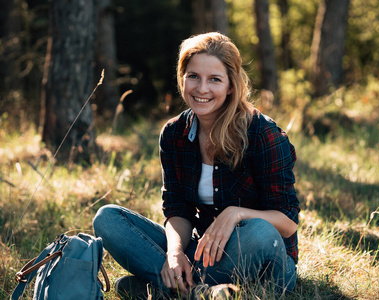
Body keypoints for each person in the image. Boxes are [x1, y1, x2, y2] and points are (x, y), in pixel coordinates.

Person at [93, 32, 300, 299]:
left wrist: (237, 214)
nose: (202, 89)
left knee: (260, 230)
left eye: (214, 79)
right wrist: (175, 253)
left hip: (263, 260)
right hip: (204, 253)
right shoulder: (174, 133)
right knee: (108, 219)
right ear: (182, 79)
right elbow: (178, 208)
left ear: (231, 86)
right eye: (193, 77)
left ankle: (164, 289)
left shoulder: (262, 133)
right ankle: (197, 290)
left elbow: (288, 222)